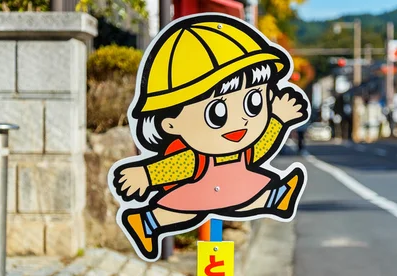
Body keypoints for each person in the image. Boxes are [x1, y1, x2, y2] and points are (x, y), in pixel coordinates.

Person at [110, 15, 309, 261]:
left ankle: (276, 197)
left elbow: (260, 148)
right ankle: (145, 221)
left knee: (244, 196)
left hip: (231, 186)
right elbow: (175, 166)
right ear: (169, 121)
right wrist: (146, 175)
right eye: (218, 112)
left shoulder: (243, 150)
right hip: (199, 188)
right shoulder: (196, 158)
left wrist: (278, 118)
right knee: (186, 211)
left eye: (254, 102)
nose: (241, 121)